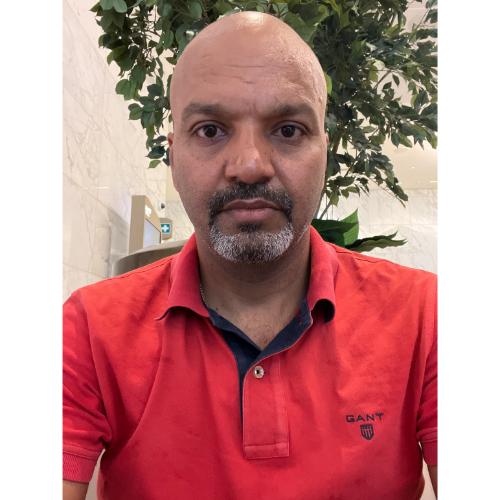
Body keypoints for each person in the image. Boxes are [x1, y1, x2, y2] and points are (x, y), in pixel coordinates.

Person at [63, 11, 437, 500]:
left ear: (325, 151)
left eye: (288, 130)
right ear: (173, 154)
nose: (249, 166)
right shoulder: (88, 329)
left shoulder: (426, 317)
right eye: (210, 130)